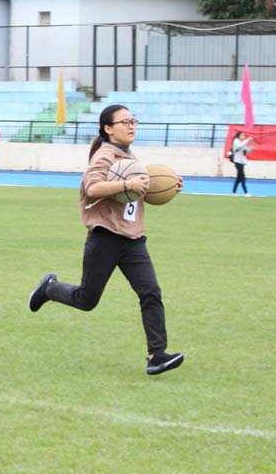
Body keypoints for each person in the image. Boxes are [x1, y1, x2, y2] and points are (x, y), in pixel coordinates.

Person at [28, 104, 185, 376]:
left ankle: (156, 355)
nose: (131, 125)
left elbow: (136, 193)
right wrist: (128, 185)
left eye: (133, 120)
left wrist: (165, 186)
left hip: (133, 238)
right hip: (106, 237)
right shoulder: (104, 156)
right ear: (108, 128)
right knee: (86, 299)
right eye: (125, 122)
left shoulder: (129, 154)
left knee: (150, 292)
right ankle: (49, 289)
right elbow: (92, 188)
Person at [230, 131, 253, 196]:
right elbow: (239, 146)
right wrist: (247, 140)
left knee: (239, 178)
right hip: (237, 161)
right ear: (239, 136)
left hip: (242, 162)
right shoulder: (236, 141)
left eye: (244, 135)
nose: (244, 136)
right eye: (242, 135)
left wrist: (252, 146)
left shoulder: (242, 143)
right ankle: (246, 192)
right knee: (243, 177)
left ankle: (233, 192)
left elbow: (248, 150)